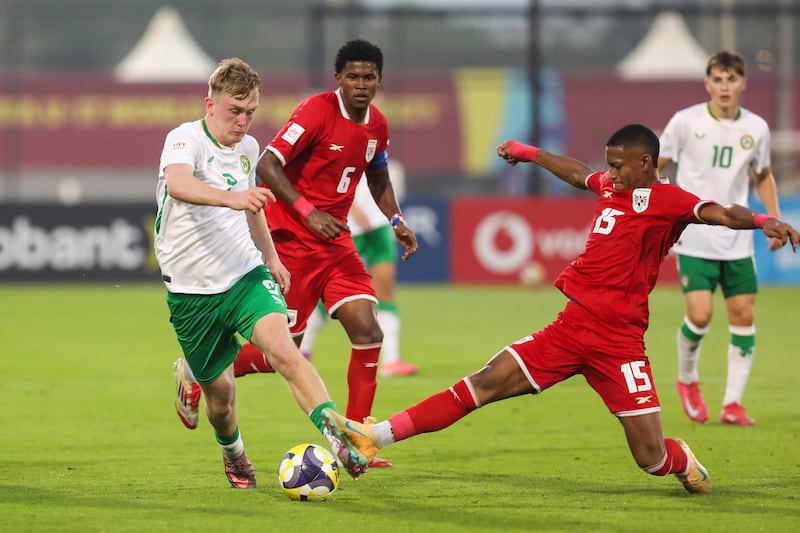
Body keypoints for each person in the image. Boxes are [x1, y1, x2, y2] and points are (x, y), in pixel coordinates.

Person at [323, 124, 799, 494]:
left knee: (651, 459)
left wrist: (763, 220)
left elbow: (718, 211)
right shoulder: (613, 187)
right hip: (570, 329)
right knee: (485, 381)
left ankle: (682, 460)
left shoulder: (666, 198)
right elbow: (575, 172)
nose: (608, 174)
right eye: (608, 165)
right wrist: (528, 153)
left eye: (617, 166)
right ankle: (373, 436)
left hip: (619, 344)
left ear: (645, 163)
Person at [172, 40, 417, 473]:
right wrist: (308, 211)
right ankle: (200, 370)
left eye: (369, 77)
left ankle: (358, 438)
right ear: (338, 79)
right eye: (353, 77)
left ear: (379, 80)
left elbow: (377, 176)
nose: (361, 85)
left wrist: (396, 221)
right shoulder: (316, 112)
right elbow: (268, 164)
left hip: (336, 243)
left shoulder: (377, 125)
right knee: (287, 351)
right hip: (295, 240)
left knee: (367, 327)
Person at [658, 50, 783, 426]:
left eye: (732, 79)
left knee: (743, 316)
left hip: (738, 240)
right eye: (718, 79)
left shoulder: (756, 128)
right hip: (695, 234)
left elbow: (762, 174)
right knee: (699, 315)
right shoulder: (685, 122)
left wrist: (772, 220)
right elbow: (658, 165)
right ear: (707, 83)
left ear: (743, 83)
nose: (724, 86)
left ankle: (733, 404)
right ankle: (687, 379)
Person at [300, 167, 419, 377]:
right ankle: (303, 349)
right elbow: (329, 178)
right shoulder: (343, 141)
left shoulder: (378, 143)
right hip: (350, 226)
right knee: (329, 292)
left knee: (386, 291)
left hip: (379, 226)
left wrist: (395, 219)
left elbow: (382, 180)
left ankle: (391, 360)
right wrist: (354, 209)